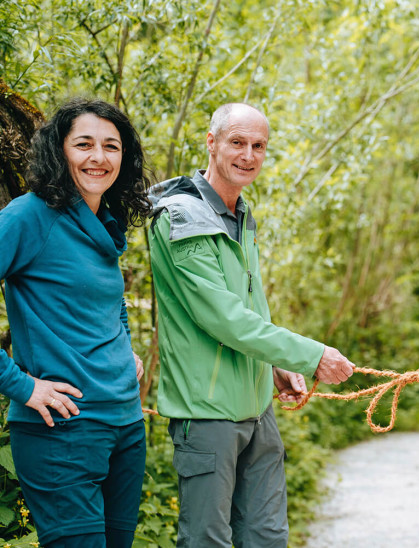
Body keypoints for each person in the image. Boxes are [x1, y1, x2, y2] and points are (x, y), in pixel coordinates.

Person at [148, 103, 356, 547]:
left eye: (258, 146)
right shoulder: (180, 217)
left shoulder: (241, 214)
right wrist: (312, 355)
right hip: (207, 414)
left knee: (266, 537)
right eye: (237, 142)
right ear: (212, 143)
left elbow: (252, 311)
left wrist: (276, 367)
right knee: (208, 541)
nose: (248, 155)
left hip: (258, 410)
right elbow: (224, 320)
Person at [0, 98, 151, 547]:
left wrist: (123, 349)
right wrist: (23, 386)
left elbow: (112, 304)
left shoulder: (105, 222)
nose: (98, 158)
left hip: (125, 425)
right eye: (84, 144)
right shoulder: (28, 216)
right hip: (61, 433)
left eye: (111, 146)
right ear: (58, 152)